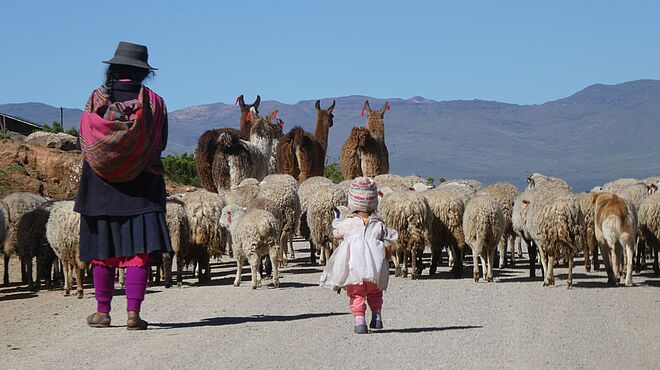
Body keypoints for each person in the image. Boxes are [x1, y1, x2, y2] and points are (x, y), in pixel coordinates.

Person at [75, 41, 172, 330]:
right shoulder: (154, 103)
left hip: (101, 189)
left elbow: (86, 140)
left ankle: (103, 312)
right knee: (138, 252)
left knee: (103, 251)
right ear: (143, 73)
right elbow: (160, 143)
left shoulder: (96, 99)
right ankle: (133, 315)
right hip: (142, 187)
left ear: (114, 69)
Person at [319, 177, 398, 334]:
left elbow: (336, 232)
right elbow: (391, 236)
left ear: (352, 202)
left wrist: (336, 220)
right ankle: (376, 317)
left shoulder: (349, 224)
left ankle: (360, 322)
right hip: (375, 268)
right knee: (375, 293)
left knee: (357, 294)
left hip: (355, 268)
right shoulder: (378, 224)